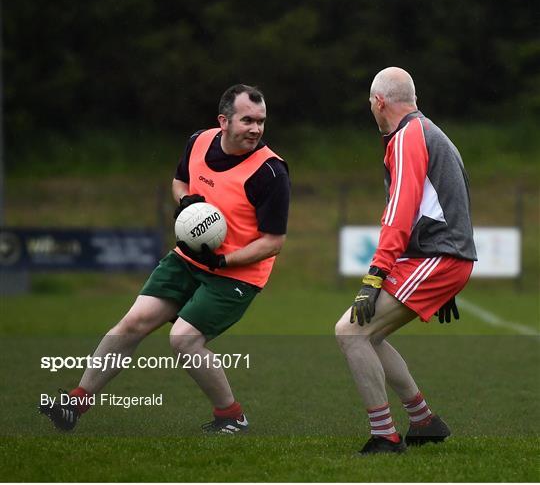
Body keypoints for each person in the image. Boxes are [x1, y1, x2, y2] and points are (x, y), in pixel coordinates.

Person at [39, 84, 290, 434]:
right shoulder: (199, 141)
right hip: (187, 259)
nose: (256, 129)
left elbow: (273, 242)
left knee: (184, 339)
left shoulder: (271, 172)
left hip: (236, 275)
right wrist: (187, 203)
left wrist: (224, 262)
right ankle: (75, 403)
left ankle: (231, 416)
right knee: (132, 323)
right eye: (247, 120)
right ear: (223, 121)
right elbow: (179, 182)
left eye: (261, 121)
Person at [335, 67, 477, 455]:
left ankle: (385, 436)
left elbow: (400, 213)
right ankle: (425, 422)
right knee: (370, 335)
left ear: (379, 102)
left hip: (436, 256)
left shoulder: (406, 137)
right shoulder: (427, 130)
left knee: (350, 333)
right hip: (440, 257)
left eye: (370, 104)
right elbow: (454, 198)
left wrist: (374, 277)